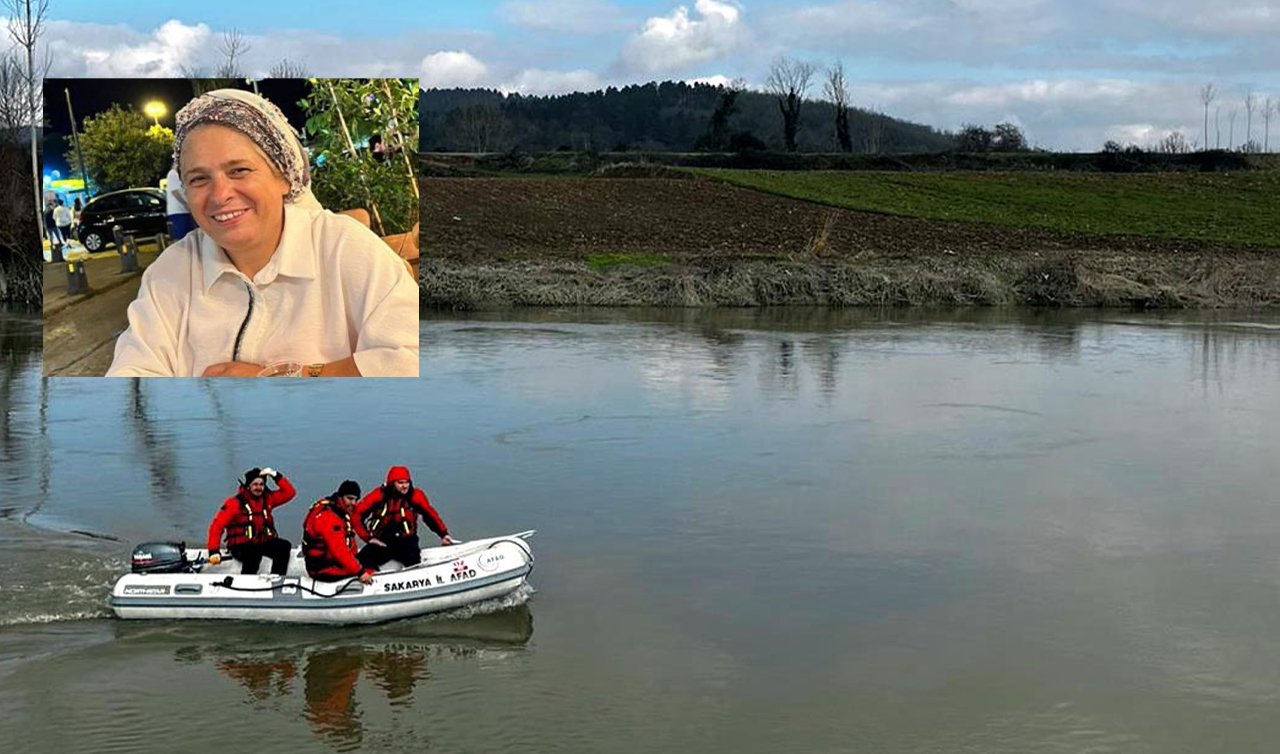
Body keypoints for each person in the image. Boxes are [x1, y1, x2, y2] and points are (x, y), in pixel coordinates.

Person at [106, 88, 418, 377]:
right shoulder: (171, 273)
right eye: (199, 179)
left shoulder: (342, 247)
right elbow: (133, 379)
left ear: (284, 176)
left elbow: (413, 357)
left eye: (238, 170)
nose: (219, 194)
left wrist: (280, 379)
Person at [353, 465, 453, 570]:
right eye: (400, 483)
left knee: (413, 563)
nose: (404, 486)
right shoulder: (378, 496)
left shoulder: (415, 496)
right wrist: (368, 538)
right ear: (392, 484)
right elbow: (356, 515)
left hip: (407, 542)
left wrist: (443, 534)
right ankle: (373, 579)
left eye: (407, 482)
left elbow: (430, 516)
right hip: (382, 541)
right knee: (361, 560)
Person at [207, 466, 296, 575]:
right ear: (248, 486)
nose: (258, 488)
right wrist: (213, 551)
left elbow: (290, 493)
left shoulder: (268, 499)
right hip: (240, 546)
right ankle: (246, 581)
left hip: (261, 541)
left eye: (261, 484)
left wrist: (275, 475)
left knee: (284, 546)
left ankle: (277, 578)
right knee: (254, 554)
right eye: (255, 484)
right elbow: (217, 526)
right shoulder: (234, 503)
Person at [302, 480, 375, 583]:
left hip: (331, 560)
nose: (353, 503)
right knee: (369, 569)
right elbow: (339, 550)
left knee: (371, 553)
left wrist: (368, 540)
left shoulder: (338, 509)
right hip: (323, 569)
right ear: (341, 497)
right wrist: (360, 572)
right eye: (350, 498)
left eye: (356, 499)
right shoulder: (329, 518)